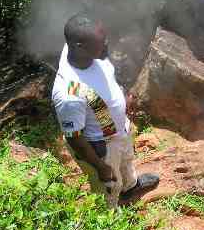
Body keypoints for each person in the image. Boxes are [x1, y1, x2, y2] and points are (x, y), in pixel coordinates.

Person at [51, 13, 159, 208]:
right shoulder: (69, 91)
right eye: (101, 42)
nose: (107, 44)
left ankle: (131, 188)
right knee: (108, 186)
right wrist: (100, 167)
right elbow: (74, 137)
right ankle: (111, 216)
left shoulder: (87, 53)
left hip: (116, 131)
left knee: (126, 163)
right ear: (79, 47)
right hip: (101, 147)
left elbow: (97, 96)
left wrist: (121, 101)